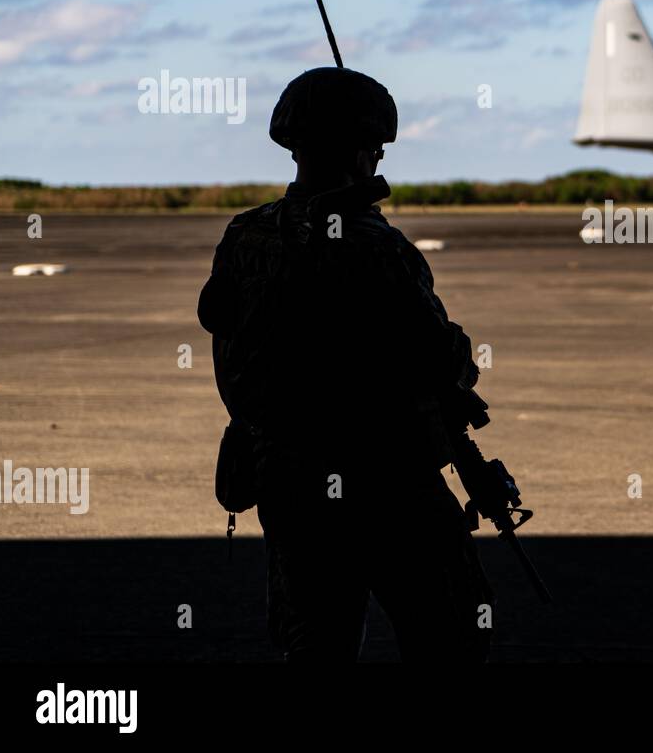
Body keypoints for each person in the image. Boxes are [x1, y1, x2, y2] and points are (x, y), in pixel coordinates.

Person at [197, 67, 497, 662]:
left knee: (316, 644)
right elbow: (443, 361)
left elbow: (222, 327)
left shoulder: (246, 234)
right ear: (362, 151)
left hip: (285, 477)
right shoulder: (374, 247)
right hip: (387, 484)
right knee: (453, 635)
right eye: (373, 146)